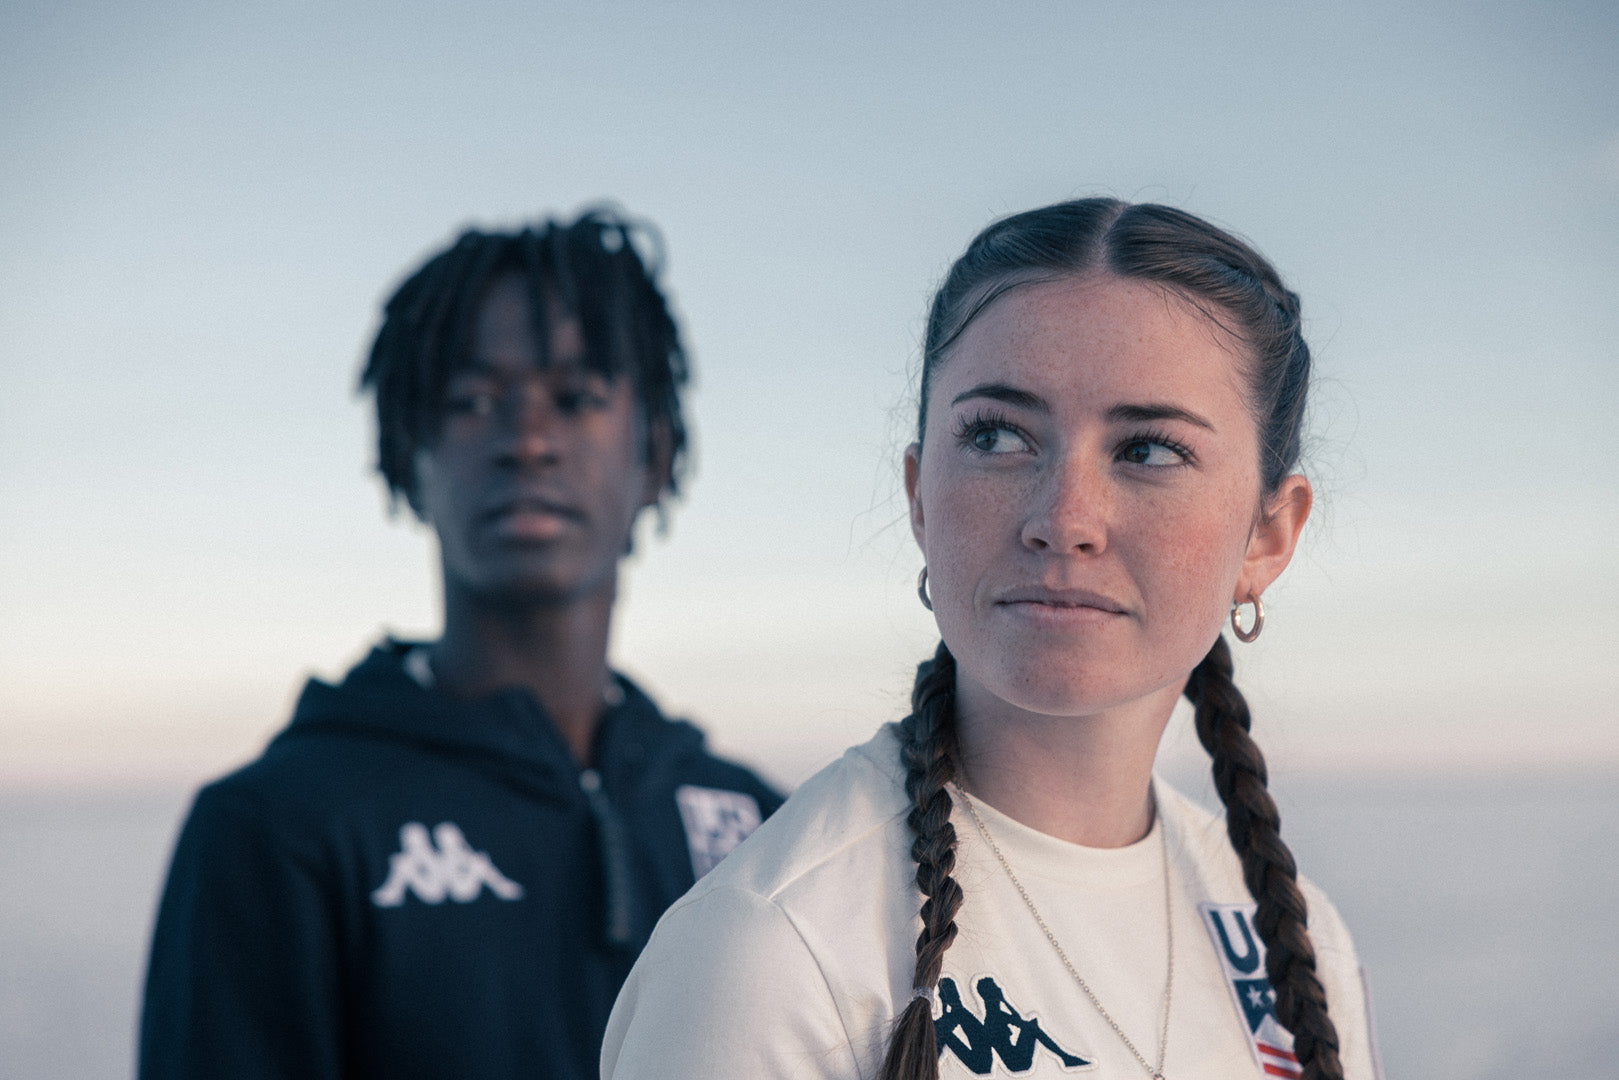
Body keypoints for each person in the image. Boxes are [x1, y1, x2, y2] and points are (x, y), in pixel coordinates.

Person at [601, 199, 1382, 1080]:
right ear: (919, 496)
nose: (1064, 520)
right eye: (997, 435)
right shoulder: (776, 952)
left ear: (1268, 536)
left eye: (1148, 450)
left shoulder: (1291, 942)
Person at [138, 208, 783, 1080]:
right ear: (410, 456)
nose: (526, 440)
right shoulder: (277, 825)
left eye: (578, 396)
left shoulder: (761, 828)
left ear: (655, 456)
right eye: (474, 401)